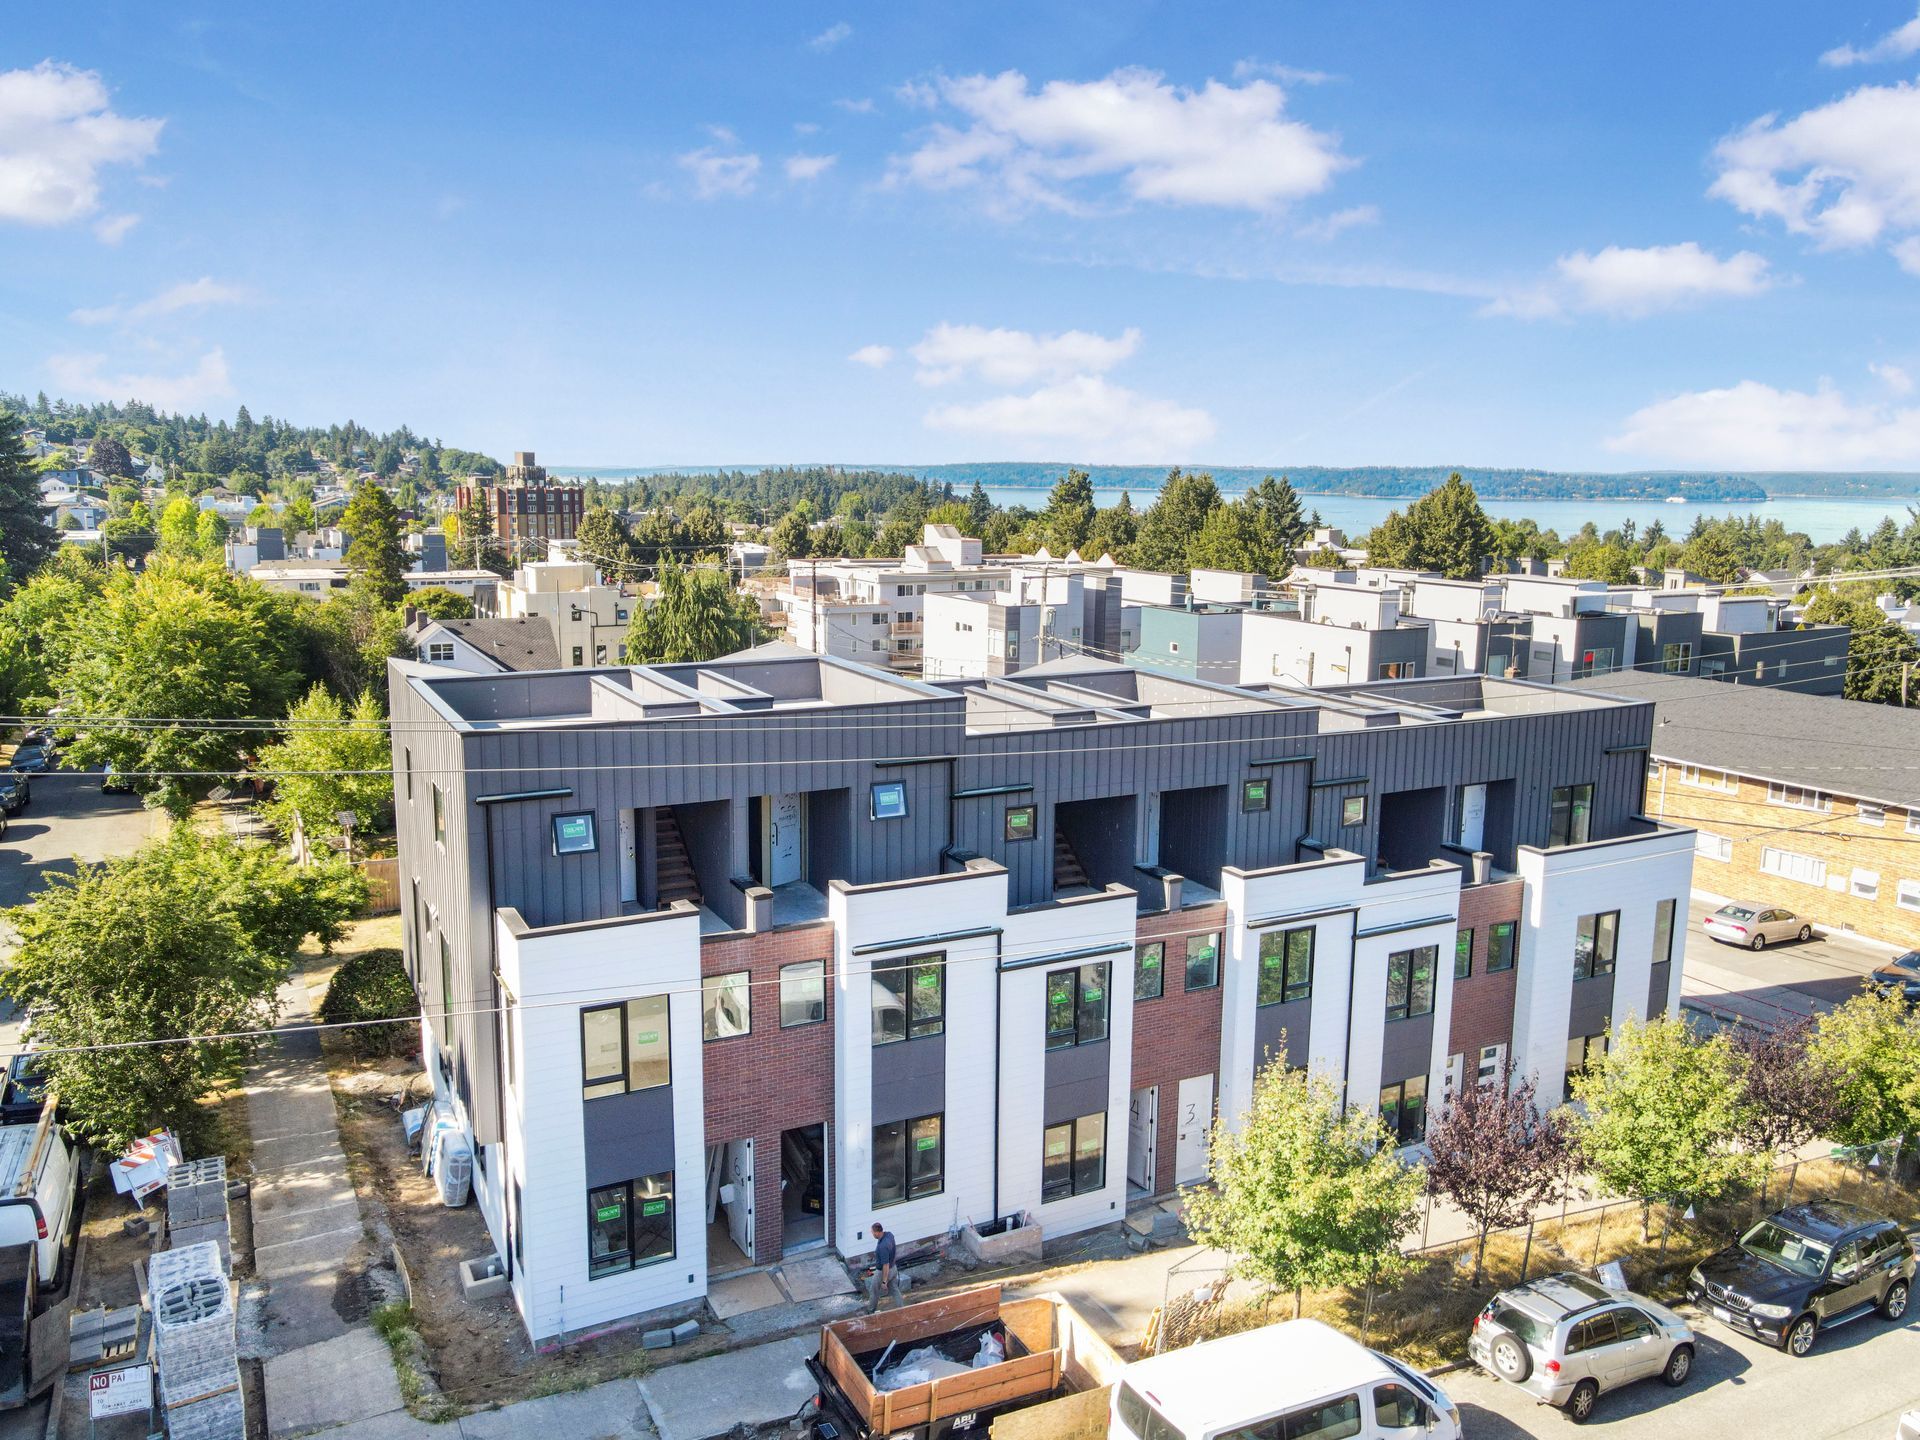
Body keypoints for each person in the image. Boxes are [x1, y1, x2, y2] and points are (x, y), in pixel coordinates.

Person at [865, 1221, 904, 1312]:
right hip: (893, 1267)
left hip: (883, 1271)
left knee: (874, 1290)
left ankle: (871, 1310)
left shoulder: (882, 1247)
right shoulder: (889, 1235)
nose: (872, 1234)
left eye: (873, 1232)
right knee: (894, 1289)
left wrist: (884, 1281)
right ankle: (902, 1308)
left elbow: (885, 1265)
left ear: (877, 1232)